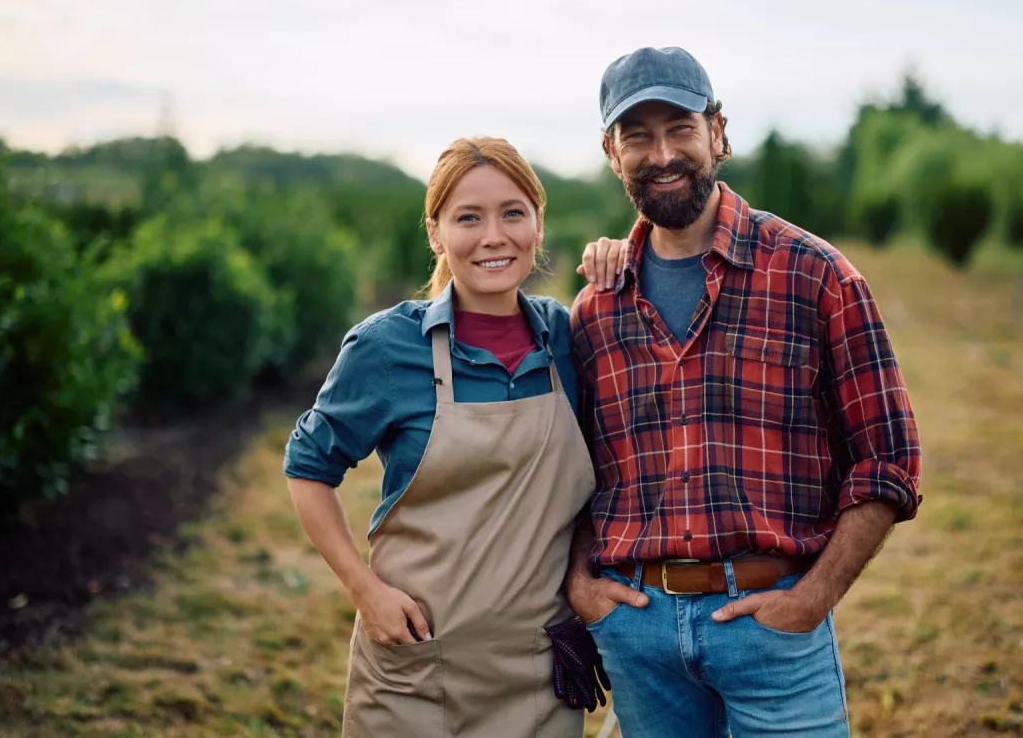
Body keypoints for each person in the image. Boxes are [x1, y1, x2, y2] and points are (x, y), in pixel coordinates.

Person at [568, 47, 923, 737]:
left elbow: (888, 461)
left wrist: (813, 596)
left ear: (719, 132)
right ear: (612, 154)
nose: (662, 151)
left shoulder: (816, 277)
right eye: (636, 135)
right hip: (637, 636)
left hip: (773, 626)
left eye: (681, 127)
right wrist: (581, 585)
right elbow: (575, 472)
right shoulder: (595, 311)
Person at [283, 136, 624, 737]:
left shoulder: (571, 339)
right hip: (418, 668)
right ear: (436, 233)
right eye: (468, 217)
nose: (494, 236)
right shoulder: (389, 348)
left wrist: (626, 260)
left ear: (538, 225)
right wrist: (365, 591)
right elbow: (307, 469)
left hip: (539, 675)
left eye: (513, 212)